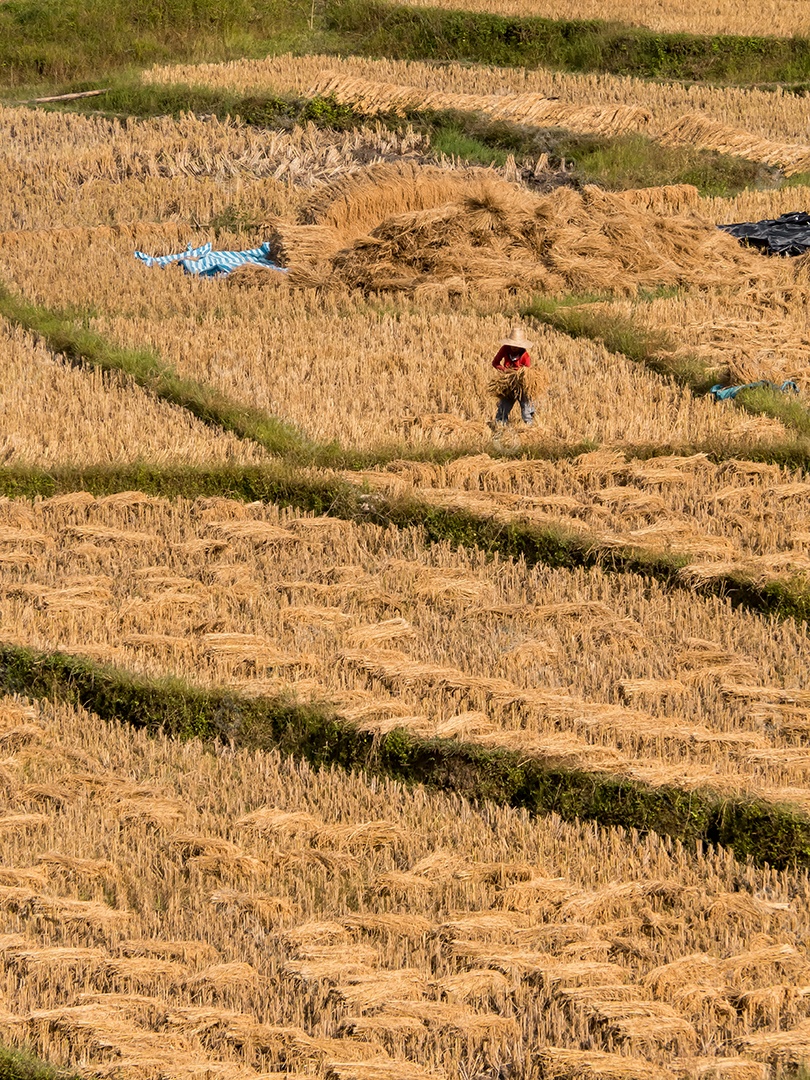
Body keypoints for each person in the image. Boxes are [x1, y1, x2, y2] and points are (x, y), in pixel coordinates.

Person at [491, 326, 535, 426]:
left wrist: (518, 375)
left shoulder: (525, 356)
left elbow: (528, 372)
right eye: (512, 344)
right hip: (508, 382)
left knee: (526, 412)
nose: (514, 347)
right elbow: (495, 363)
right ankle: (500, 429)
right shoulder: (505, 349)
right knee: (503, 409)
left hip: (521, 384)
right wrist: (506, 371)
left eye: (516, 345)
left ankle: (530, 429)